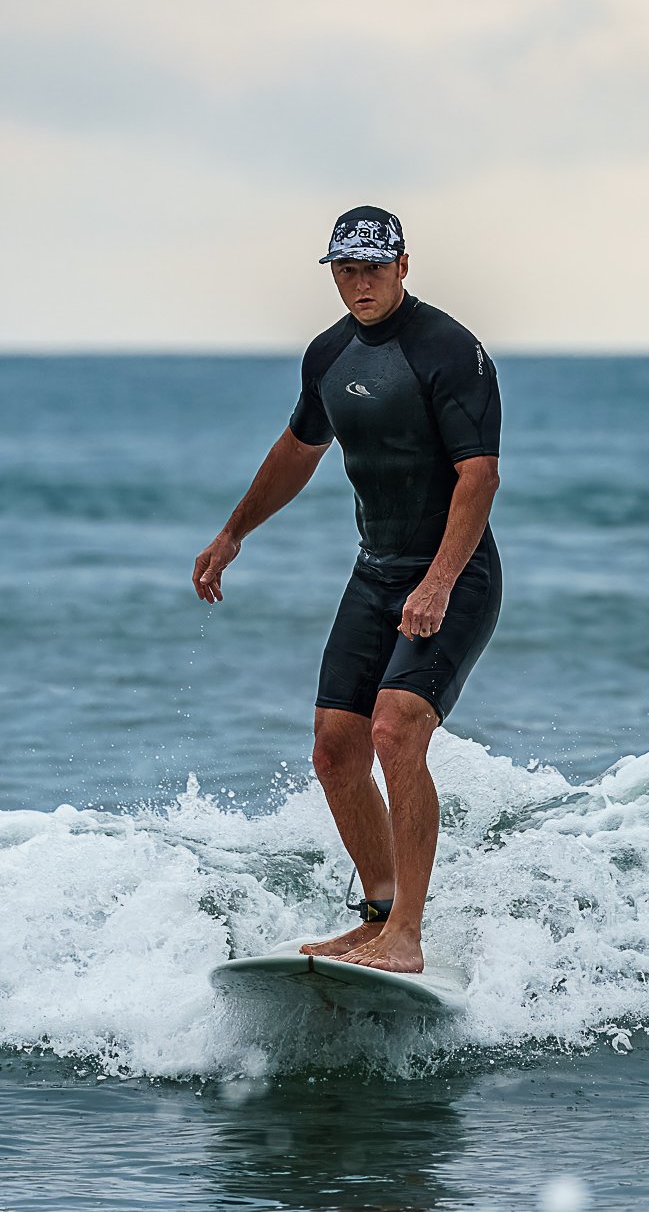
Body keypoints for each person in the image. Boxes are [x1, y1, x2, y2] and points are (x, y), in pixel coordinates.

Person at [192, 205, 502, 974]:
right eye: (345, 269)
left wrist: (436, 583)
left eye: (372, 267)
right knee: (335, 750)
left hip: (454, 576)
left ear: (403, 264)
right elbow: (299, 450)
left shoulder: (450, 350)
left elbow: (479, 475)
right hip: (375, 572)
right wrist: (233, 534)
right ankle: (378, 912)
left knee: (396, 729)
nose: (359, 283)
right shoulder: (328, 356)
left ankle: (409, 938)